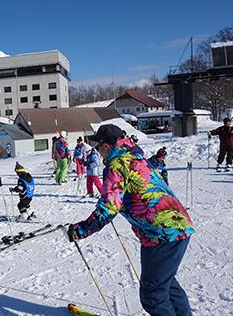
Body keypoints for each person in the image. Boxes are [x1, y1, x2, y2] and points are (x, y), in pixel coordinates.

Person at [68, 124, 194, 316]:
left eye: (98, 145)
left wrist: (81, 230)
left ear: (107, 146)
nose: (97, 150)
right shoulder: (136, 157)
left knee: (153, 295)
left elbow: (109, 208)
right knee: (166, 285)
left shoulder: (117, 165)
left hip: (162, 232)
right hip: (176, 227)